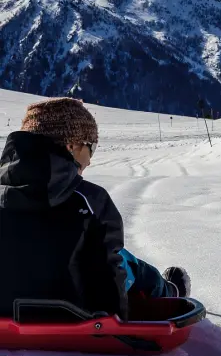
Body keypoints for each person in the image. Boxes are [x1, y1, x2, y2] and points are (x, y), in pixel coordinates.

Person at [0, 97, 190, 319]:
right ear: (70, 145)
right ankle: (168, 292)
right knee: (127, 263)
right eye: (91, 147)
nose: (90, 160)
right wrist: (116, 318)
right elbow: (107, 279)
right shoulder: (89, 199)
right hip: (75, 315)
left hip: (5, 314)